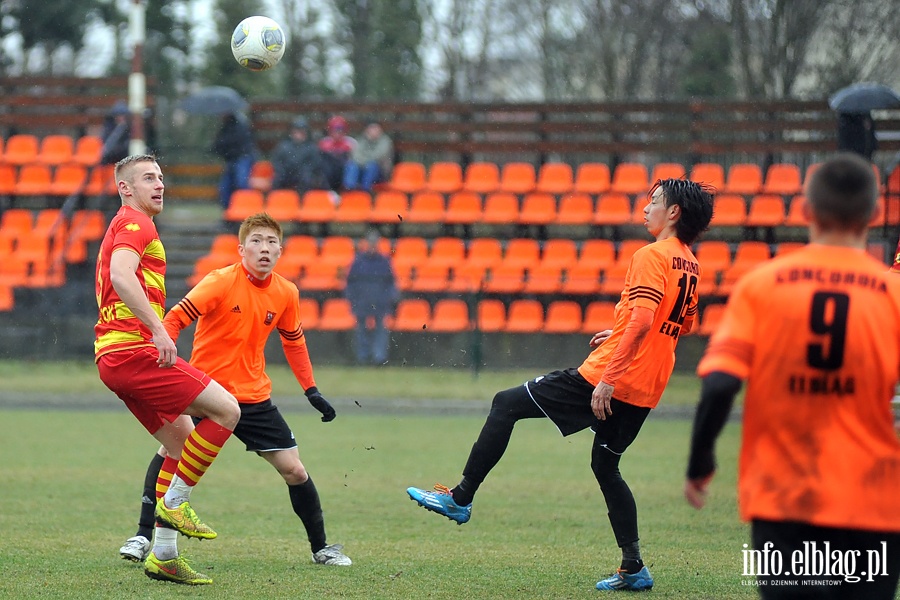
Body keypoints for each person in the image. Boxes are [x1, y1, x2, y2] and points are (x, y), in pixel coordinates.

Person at [407, 178, 714, 592]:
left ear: (673, 213)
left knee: (506, 403)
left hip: (607, 379)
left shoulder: (651, 255)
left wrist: (608, 377)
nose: (646, 208)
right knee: (607, 467)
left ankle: (460, 497)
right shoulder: (690, 263)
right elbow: (682, 324)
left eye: (655, 201)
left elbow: (643, 320)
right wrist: (619, 330)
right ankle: (634, 567)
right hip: (647, 388)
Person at [684, 153, 900, 599]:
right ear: (874, 215)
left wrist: (700, 462)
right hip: (873, 501)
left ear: (805, 212)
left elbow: (721, 383)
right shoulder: (892, 294)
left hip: (785, 497)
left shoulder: (762, 286)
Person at [118, 212, 352, 569]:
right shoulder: (220, 281)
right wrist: (166, 357)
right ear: (241, 249)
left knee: (295, 471)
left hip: (254, 398)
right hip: (206, 392)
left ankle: (322, 548)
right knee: (170, 451)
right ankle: (141, 536)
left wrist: (311, 389)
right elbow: (175, 318)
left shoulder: (287, 292)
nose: (264, 249)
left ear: (281, 251)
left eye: (272, 242)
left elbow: (294, 342)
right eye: (256, 241)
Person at [95, 154, 241, 585]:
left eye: (161, 177)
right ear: (125, 188)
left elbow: (108, 279)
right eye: (147, 178)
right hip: (134, 352)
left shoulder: (121, 224)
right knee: (228, 411)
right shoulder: (137, 223)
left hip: (112, 356)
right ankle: (176, 502)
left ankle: (163, 554)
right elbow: (122, 275)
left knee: (181, 445)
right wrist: (158, 330)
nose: (159, 184)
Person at [344, 229, 398, 366]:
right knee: (361, 331)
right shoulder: (358, 261)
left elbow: (391, 282)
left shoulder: (384, 261)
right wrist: (352, 299)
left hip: (380, 302)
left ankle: (379, 359)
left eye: (375, 242)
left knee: (380, 330)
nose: (373, 245)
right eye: (371, 242)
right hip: (362, 302)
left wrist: (390, 298)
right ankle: (363, 358)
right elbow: (350, 282)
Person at [270, 117, 328, 194]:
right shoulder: (283, 146)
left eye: (301, 132)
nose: (298, 134)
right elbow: (276, 161)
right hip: (287, 173)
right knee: (278, 178)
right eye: (296, 131)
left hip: (303, 174)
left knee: (306, 178)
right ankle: (278, 200)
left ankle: (302, 201)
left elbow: (315, 163)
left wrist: (304, 169)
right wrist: (284, 169)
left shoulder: (311, 147)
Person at [212, 111, 257, 209]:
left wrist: (224, 144)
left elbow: (234, 143)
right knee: (225, 187)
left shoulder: (239, 126)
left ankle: (246, 209)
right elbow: (217, 146)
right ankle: (229, 212)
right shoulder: (225, 128)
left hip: (241, 158)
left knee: (242, 183)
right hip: (232, 160)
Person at [342, 120, 394, 192]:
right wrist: (365, 161)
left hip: (380, 172)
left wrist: (364, 160)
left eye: (376, 129)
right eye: (371, 128)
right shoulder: (361, 140)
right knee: (352, 165)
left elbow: (378, 156)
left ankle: (366, 191)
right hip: (361, 168)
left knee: (371, 166)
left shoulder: (385, 141)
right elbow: (355, 155)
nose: (374, 131)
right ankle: (350, 189)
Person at [317, 115, 356, 192]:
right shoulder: (324, 143)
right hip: (329, 177)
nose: (337, 133)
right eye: (335, 130)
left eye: (340, 130)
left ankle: (348, 189)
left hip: (343, 175)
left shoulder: (351, 143)